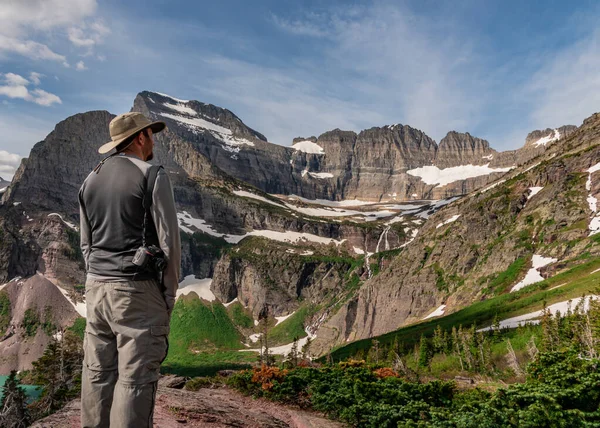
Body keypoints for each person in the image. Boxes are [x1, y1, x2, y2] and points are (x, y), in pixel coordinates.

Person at [78, 112, 181, 427]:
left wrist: (98, 279)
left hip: (96, 289)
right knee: (134, 381)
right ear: (140, 137)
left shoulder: (90, 179)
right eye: (151, 134)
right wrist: (168, 295)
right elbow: (169, 244)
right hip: (137, 290)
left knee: (97, 374)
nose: (153, 140)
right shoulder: (152, 175)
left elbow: (86, 244)